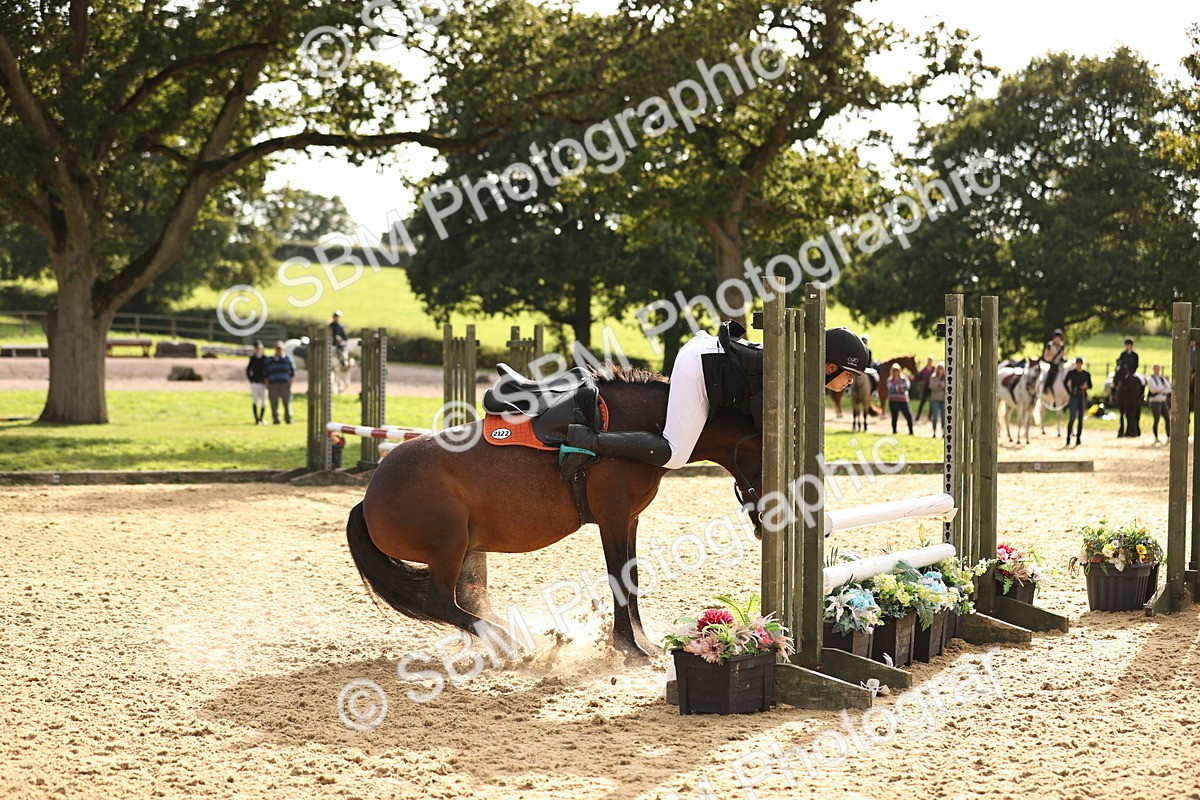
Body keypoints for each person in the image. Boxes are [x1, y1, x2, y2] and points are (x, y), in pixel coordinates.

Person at [565, 323, 869, 469]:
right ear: (831, 367)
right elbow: (762, 412)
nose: (849, 383)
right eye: (849, 375)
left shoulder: (802, 370)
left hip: (709, 356)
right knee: (673, 455)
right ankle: (588, 440)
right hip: (699, 367)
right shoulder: (796, 372)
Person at [264, 341, 296, 424]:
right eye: (277, 349)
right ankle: (276, 419)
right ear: (274, 349)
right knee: (274, 403)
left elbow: (292, 371)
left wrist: (291, 379)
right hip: (273, 383)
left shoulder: (287, 359)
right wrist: (266, 380)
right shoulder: (269, 360)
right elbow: (265, 371)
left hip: (285, 383)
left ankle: (288, 418)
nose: (278, 350)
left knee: (287, 402)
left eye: (280, 349)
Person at [1064, 356, 1092, 446]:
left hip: (1082, 397)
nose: (1078, 365)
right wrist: (1069, 392)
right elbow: (1065, 382)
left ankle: (1078, 438)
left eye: (1080, 364)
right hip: (1074, 397)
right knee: (1072, 418)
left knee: (1080, 419)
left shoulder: (1086, 374)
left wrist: (1086, 387)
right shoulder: (1072, 373)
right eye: (1077, 364)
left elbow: (1090, 385)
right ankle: (1068, 438)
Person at [887, 363, 914, 435]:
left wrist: (897, 387)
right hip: (893, 401)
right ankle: (894, 431)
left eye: (897, 370)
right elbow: (891, 389)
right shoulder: (889, 380)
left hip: (903, 401)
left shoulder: (904, 379)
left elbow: (906, 387)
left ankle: (911, 431)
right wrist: (900, 388)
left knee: (908, 416)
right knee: (894, 417)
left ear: (899, 371)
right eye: (894, 370)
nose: (895, 372)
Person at [1147, 364, 1172, 443]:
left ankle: (1168, 436)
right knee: (1156, 419)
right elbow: (1153, 390)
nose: (1157, 370)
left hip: (1162, 401)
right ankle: (1156, 437)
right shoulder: (1151, 379)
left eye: (1158, 368)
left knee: (1167, 418)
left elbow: (1169, 388)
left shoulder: (1162, 379)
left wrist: (1161, 390)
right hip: (1155, 402)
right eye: (1156, 369)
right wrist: (1163, 388)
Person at [245, 340, 267, 425]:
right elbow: (248, 370)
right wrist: (251, 379)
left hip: (263, 383)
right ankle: (257, 419)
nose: (258, 350)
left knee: (264, 401)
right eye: (256, 348)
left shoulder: (265, 358)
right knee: (255, 401)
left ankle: (261, 418)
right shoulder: (252, 358)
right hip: (255, 382)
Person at [913, 356, 935, 420]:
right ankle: (918, 416)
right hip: (925, 387)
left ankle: (930, 416)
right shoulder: (924, 369)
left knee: (932, 403)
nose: (929, 362)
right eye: (928, 361)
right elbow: (919, 377)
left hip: (932, 388)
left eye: (930, 361)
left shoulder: (934, 369)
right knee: (922, 402)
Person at [928, 362, 947, 437]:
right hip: (935, 399)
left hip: (943, 400)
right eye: (939, 369)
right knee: (935, 416)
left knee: (944, 417)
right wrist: (939, 385)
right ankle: (934, 431)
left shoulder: (946, 377)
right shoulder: (933, 377)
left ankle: (943, 432)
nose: (940, 370)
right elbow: (931, 386)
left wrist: (940, 385)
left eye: (942, 369)